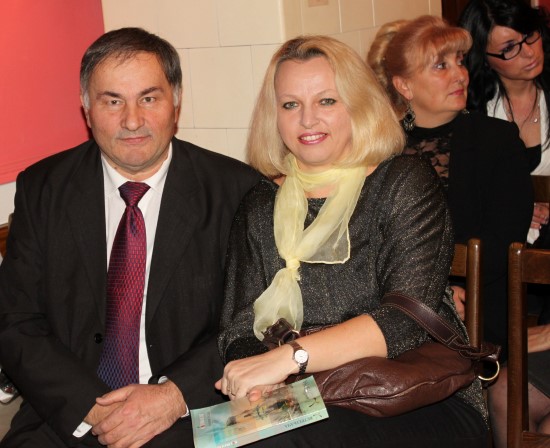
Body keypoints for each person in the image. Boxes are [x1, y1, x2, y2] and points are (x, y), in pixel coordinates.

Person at [216, 35, 489, 447]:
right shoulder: (259, 204)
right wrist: (258, 380)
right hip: (305, 393)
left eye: (327, 101)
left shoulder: (403, 182)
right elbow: (239, 327)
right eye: (290, 105)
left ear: (359, 105)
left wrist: (289, 358)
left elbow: (406, 320)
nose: (308, 120)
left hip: (416, 390)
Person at [0, 27, 261, 448]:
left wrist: (173, 396)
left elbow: (254, 320)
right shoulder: (43, 189)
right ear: (86, 107)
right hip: (68, 415)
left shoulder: (237, 191)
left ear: (176, 100)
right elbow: (16, 321)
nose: (132, 121)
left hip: (191, 413)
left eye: (149, 98)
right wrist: (93, 407)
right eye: (112, 101)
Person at [367, 14, 532, 363]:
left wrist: (446, 293)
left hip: (477, 304)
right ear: (404, 86)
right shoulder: (379, 150)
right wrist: (430, 294)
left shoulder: (497, 141)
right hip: (395, 306)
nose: (460, 74)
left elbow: (502, 243)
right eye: (441, 66)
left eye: (459, 61)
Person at [460, 0, 550, 247]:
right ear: (484, 58)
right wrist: (517, 209)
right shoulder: (471, 112)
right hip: (498, 246)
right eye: (509, 48)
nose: (529, 52)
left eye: (529, 35)